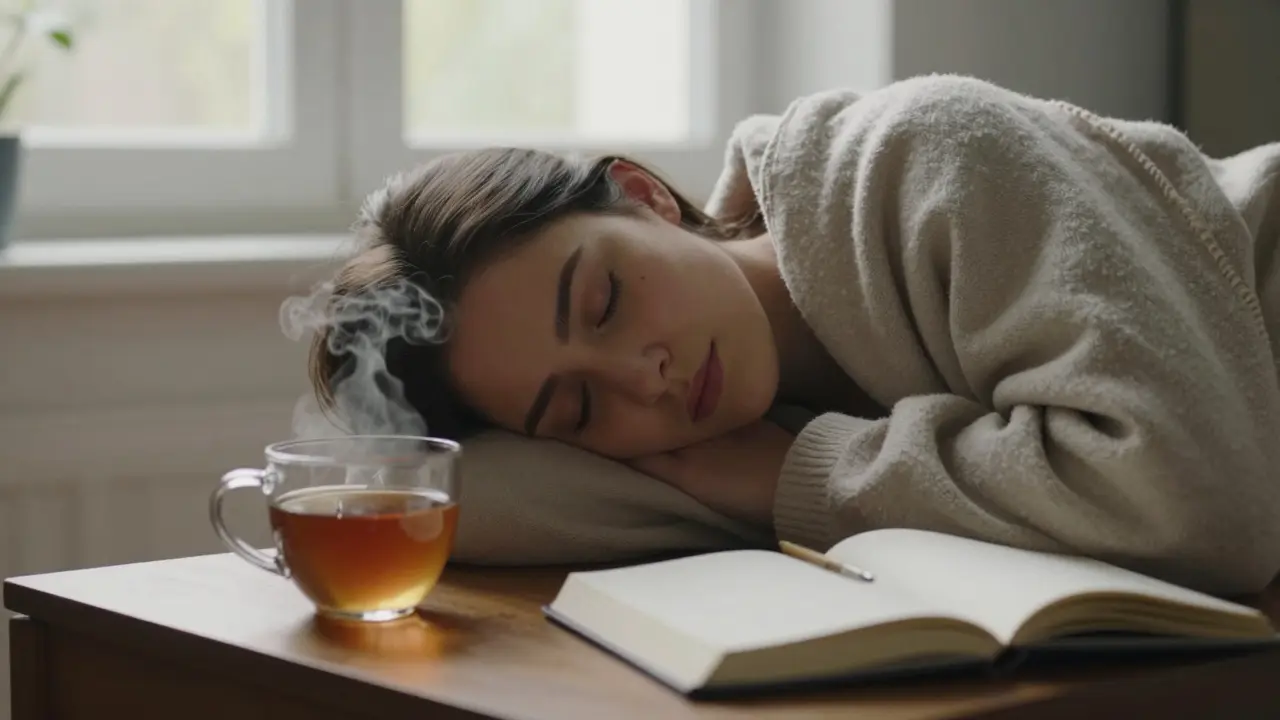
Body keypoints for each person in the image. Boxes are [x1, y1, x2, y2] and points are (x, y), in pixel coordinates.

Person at [310, 74, 1280, 595]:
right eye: (573, 406)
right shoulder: (705, 430)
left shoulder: (921, 157)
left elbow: (1198, 504)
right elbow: (457, 500)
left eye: (603, 300)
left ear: (644, 196)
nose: (639, 378)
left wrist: (798, 481)